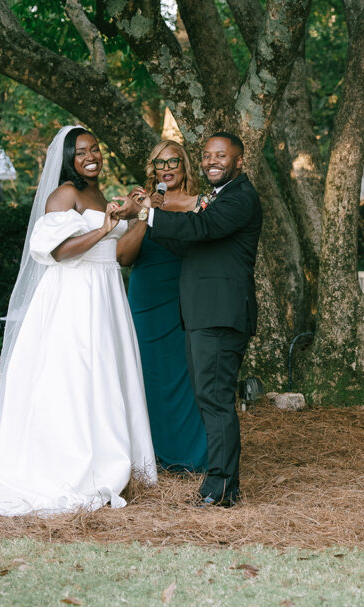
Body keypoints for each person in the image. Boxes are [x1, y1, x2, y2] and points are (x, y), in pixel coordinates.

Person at [0, 126, 156, 516]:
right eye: (82, 151)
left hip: (106, 294)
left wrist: (137, 215)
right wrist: (105, 227)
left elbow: (120, 254)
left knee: (106, 375)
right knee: (75, 377)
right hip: (76, 296)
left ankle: (111, 457)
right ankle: (72, 463)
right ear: (68, 158)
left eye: (96, 149)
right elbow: (56, 251)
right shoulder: (63, 195)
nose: (92, 156)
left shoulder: (99, 195)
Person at [124, 131, 262, 507]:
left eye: (221, 155)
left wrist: (147, 212)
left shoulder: (240, 197)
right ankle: (221, 484)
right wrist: (146, 218)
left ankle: (221, 488)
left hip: (220, 313)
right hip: (202, 313)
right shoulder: (219, 197)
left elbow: (201, 228)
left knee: (215, 401)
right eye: (207, 155)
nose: (212, 161)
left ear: (238, 161)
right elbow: (188, 243)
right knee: (209, 398)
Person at [117, 140, 208, 472]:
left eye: (174, 162)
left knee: (187, 373)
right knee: (147, 373)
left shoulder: (200, 203)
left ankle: (190, 453)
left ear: (184, 166)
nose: (167, 169)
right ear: (151, 169)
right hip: (146, 297)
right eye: (160, 163)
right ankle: (148, 452)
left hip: (186, 296)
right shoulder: (138, 200)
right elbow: (124, 257)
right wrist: (145, 213)